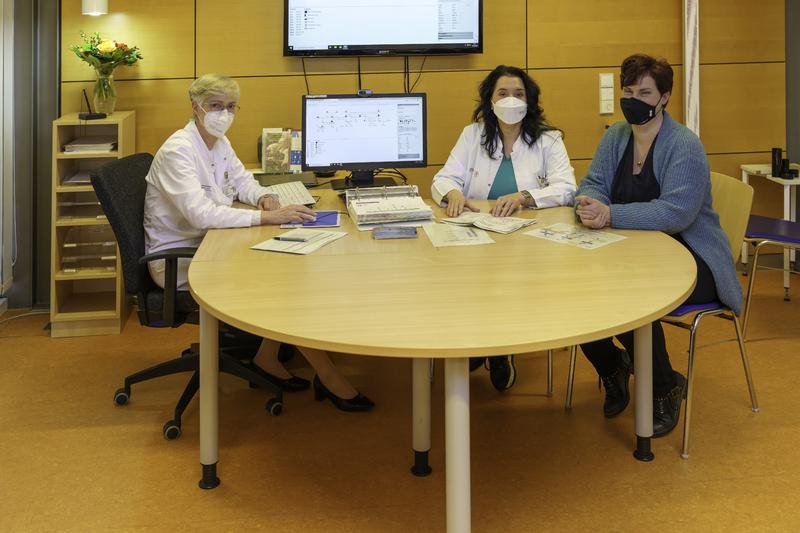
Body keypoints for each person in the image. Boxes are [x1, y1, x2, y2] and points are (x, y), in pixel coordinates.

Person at [143, 73, 373, 412]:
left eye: (231, 107)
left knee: (288, 269)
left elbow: (242, 181)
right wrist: (267, 218)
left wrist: (264, 197)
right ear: (196, 107)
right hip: (180, 259)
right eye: (215, 106)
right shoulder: (179, 150)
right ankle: (328, 376)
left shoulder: (218, 142)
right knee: (285, 283)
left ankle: (267, 357)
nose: (224, 113)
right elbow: (200, 215)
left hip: (211, 244)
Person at [575, 54, 741, 436]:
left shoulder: (684, 145)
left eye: (645, 92)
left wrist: (610, 215)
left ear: (664, 97)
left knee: (634, 297)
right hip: (629, 253)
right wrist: (587, 204)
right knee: (579, 290)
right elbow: (592, 184)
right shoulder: (615, 135)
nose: (634, 99)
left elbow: (675, 213)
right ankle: (612, 366)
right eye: (628, 91)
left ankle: (665, 387)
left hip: (694, 259)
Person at [431, 65, 577, 391]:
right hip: (478, 237)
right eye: (503, 93)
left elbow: (567, 188)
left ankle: (501, 350)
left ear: (530, 101)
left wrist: (526, 196)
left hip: (528, 243)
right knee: (466, 280)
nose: (511, 100)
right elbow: (443, 179)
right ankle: (477, 342)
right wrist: (452, 192)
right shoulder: (473, 135)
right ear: (490, 100)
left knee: (509, 282)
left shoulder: (548, 140)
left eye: (519, 94)